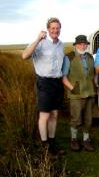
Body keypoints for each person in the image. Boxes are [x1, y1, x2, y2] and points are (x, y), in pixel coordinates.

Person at [22, 17, 64, 155]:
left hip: (57, 83)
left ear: (60, 29)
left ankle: (52, 142)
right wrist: (37, 39)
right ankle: (44, 145)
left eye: (57, 28)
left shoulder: (61, 45)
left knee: (55, 114)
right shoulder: (40, 43)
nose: (55, 30)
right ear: (48, 29)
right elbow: (24, 56)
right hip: (44, 82)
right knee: (44, 115)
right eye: (52, 28)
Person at [62, 35, 96, 152]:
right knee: (76, 119)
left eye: (85, 44)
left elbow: (93, 74)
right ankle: (74, 139)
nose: (83, 46)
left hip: (90, 93)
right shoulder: (69, 57)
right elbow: (63, 77)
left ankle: (86, 140)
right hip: (76, 94)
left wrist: (95, 86)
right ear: (75, 45)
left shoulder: (90, 57)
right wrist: (73, 89)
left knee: (88, 119)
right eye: (80, 44)